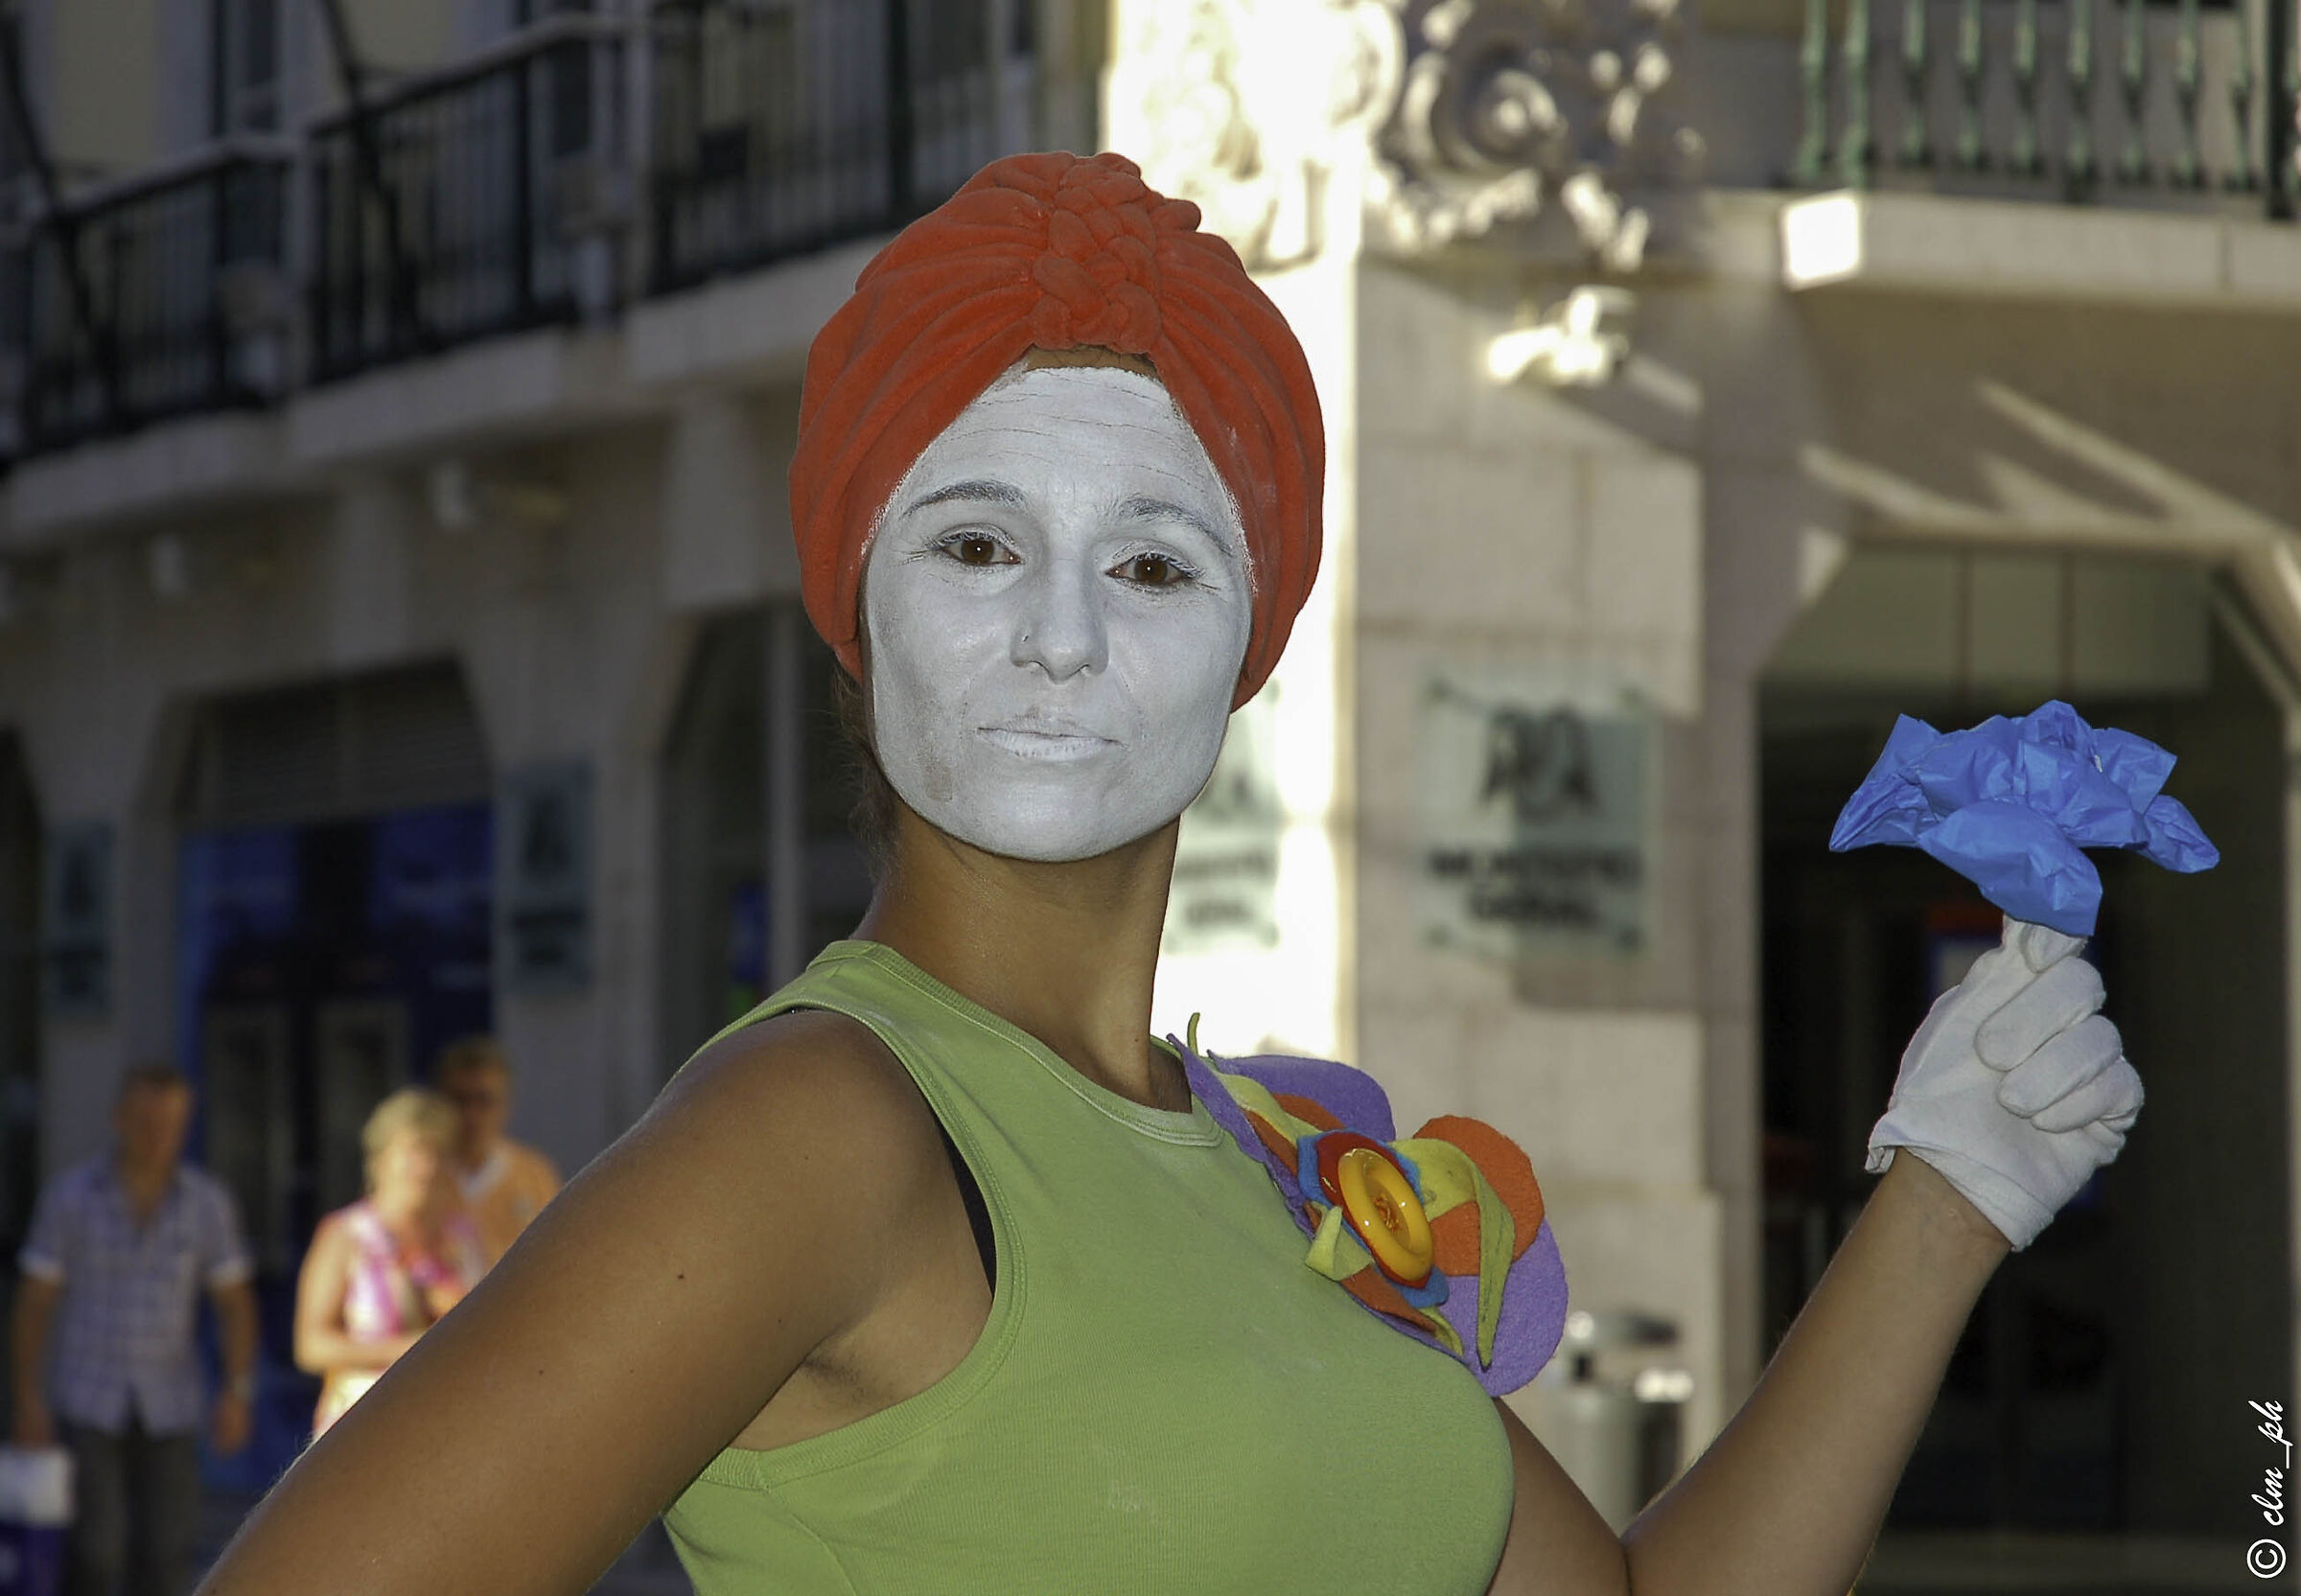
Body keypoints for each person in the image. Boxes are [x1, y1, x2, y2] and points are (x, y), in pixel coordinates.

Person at [195, 152, 2145, 1596]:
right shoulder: (826, 1125)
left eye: (1148, 561)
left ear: (1252, 642)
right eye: (973, 546)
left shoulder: (1290, 1154)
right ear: (856, 610)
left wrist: (1948, 1194)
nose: (1057, 636)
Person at [12, 1063, 258, 1596]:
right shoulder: (71, 1196)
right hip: (88, 1394)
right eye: (145, 1122)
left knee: (168, 1549)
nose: (157, 1137)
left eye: (170, 1124)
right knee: (97, 1549)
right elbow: (35, 1300)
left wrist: (237, 1390)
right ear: (120, 1120)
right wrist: (27, 1395)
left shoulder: (206, 1203)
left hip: (170, 1397)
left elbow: (234, 1302)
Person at [291, 1089, 484, 1439]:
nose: (427, 1166)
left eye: (438, 1152)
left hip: (448, 1426)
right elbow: (311, 1345)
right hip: (363, 1430)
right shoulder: (346, 1235)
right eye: (415, 1151)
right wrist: (406, 1349)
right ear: (380, 1159)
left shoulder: (462, 1238)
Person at [431, 1037, 561, 1267]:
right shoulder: (423, 1174)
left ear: (506, 1104)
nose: (472, 1115)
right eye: (460, 1100)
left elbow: (554, 1257)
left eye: (484, 1100)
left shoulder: (534, 1175)